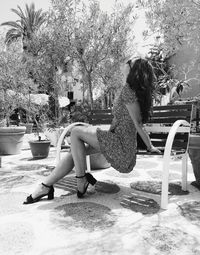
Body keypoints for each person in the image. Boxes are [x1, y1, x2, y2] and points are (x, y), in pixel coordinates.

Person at [23, 57, 161, 204]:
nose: (125, 64)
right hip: (117, 141)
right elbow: (122, 121)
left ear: (133, 71)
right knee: (75, 151)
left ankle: (80, 181)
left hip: (122, 148)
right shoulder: (130, 91)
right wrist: (105, 135)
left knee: (76, 131)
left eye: (128, 63)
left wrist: (150, 146)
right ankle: (46, 186)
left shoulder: (128, 91)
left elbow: (138, 124)